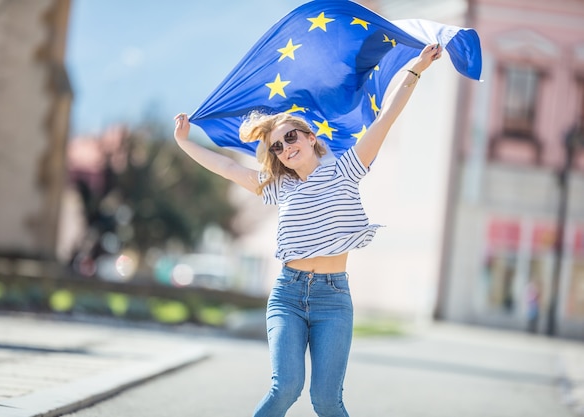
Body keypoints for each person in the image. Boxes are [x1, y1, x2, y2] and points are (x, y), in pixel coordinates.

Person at [174, 43, 442, 417]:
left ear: (310, 137)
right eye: (278, 147)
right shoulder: (279, 188)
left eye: (290, 138)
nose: (285, 148)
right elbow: (227, 168)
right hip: (287, 295)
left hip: (333, 301)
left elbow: (386, 118)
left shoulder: (348, 168)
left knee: (327, 401)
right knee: (285, 387)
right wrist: (184, 142)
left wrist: (416, 68)